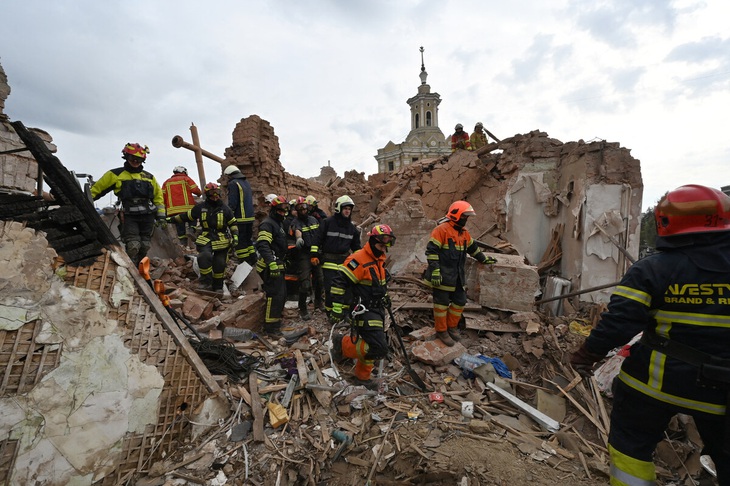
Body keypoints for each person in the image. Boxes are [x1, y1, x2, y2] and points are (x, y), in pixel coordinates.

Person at [570, 184, 730, 485]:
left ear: (666, 222)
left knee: (630, 447)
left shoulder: (653, 270)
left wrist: (586, 354)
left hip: (655, 385)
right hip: (722, 395)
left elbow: (619, 323)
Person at [331, 224, 396, 388]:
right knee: (379, 347)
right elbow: (339, 282)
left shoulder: (379, 259)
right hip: (362, 310)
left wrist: (385, 296)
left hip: (377, 309)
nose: (383, 249)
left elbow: (378, 285)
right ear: (373, 241)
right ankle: (342, 344)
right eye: (381, 245)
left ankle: (362, 377)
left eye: (385, 246)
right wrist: (337, 307)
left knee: (372, 342)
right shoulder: (358, 259)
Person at [424, 201, 496, 346]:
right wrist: (436, 271)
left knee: (460, 301)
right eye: (464, 216)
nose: (466, 219)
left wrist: (484, 259)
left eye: (467, 217)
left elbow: (473, 249)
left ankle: (452, 327)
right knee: (441, 305)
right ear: (456, 215)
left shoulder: (464, 233)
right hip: (442, 276)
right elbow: (431, 251)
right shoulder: (441, 230)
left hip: (457, 276)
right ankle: (442, 330)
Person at [91, 143, 165, 266]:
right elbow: (96, 191)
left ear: (143, 160)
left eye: (139, 159)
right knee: (133, 245)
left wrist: (161, 216)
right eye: (132, 158)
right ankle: (132, 269)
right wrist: (83, 201)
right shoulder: (115, 174)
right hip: (129, 215)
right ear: (126, 157)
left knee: (145, 245)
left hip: (148, 215)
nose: (135, 161)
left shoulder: (149, 177)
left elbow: (158, 198)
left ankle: (140, 268)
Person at [168, 183, 238, 293]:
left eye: (217, 193)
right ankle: (206, 282)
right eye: (212, 193)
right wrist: (169, 220)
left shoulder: (225, 208)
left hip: (222, 239)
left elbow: (233, 223)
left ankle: (218, 286)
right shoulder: (200, 208)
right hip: (206, 237)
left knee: (220, 263)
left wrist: (235, 236)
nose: (215, 196)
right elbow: (185, 216)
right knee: (204, 257)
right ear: (206, 194)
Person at [315, 195, 361, 315]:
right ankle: (331, 313)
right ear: (338, 209)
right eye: (345, 208)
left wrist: (360, 261)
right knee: (331, 289)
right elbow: (317, 240)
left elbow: (356, 248)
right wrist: (313, 255)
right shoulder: (327, 223)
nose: (347, 211)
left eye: (349, 209)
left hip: (344, 263)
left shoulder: (352, 228)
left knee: (347, 288)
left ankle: (345, 312)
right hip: (329, 262)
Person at [255, 195, 289, 335]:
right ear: (273, 210)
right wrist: (272, 263)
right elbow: (263, 245)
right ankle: (271, 328)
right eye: (280, 210)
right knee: (275, 296)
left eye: (284, 210)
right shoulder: (268, 224)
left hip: (278, 263)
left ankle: (275, 323)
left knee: (281, 295)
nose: (282, 213)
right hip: (269, 266)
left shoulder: (278, 224)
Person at [288, 196, 321, 320]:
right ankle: (303, 308)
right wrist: (299, 238)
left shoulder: (313, 219)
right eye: (300, 208)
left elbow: (319, 234)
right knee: (305, 283)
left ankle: (319, 303)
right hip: (304, 254)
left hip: (316, 252)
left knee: (320, 280)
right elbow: (297, 231)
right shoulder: (295, 222)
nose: (303, 210)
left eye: (304, 207)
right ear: (296, 209)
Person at [223, 164, 256, 265]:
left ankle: (244, 261)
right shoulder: (246, 183)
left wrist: (229, 215)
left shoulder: (233, 183)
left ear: (230, 175)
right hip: (250, 217)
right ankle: (253, 259)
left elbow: (233, 202)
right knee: (248, 240)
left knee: (240, 242)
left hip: (240, 218)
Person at [161, 166, 202, 245]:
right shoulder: (186, 179)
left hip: (173, 210)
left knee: (180, 227)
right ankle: (191, 230)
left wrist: (165, 209)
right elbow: (195, 190)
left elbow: (162, 196)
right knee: (192, 219)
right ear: (184, 172)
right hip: (187, 208)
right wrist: (199, 194)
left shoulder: (166, 182)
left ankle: (183, 244)